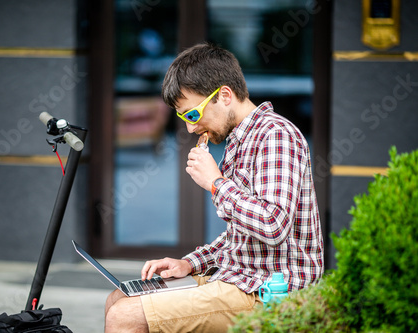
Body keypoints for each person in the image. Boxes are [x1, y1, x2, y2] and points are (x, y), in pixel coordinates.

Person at [104, 42, 324, 333]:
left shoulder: (275, 136)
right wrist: (190, 264)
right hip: (240, 278)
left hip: (269, 292)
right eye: (183, 118)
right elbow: (240, 240)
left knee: (126, 316)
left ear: (224, 95)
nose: (190, 129)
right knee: (119, 297)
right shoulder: (238, 140)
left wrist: (216, 183)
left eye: (192, 114)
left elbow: (273, 225)